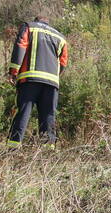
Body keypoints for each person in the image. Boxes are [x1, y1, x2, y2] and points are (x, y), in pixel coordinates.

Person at [6, 16, 68, 148]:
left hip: (30, 79)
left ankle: (13, 147)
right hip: (52, 82)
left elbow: (20, 46)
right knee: (48, 115)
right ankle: (48, 149)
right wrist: (55, 76)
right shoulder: (60, 37)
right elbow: (63, 62)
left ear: (37, 20)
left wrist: (13, 72)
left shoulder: (29, 27)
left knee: (23, 112)